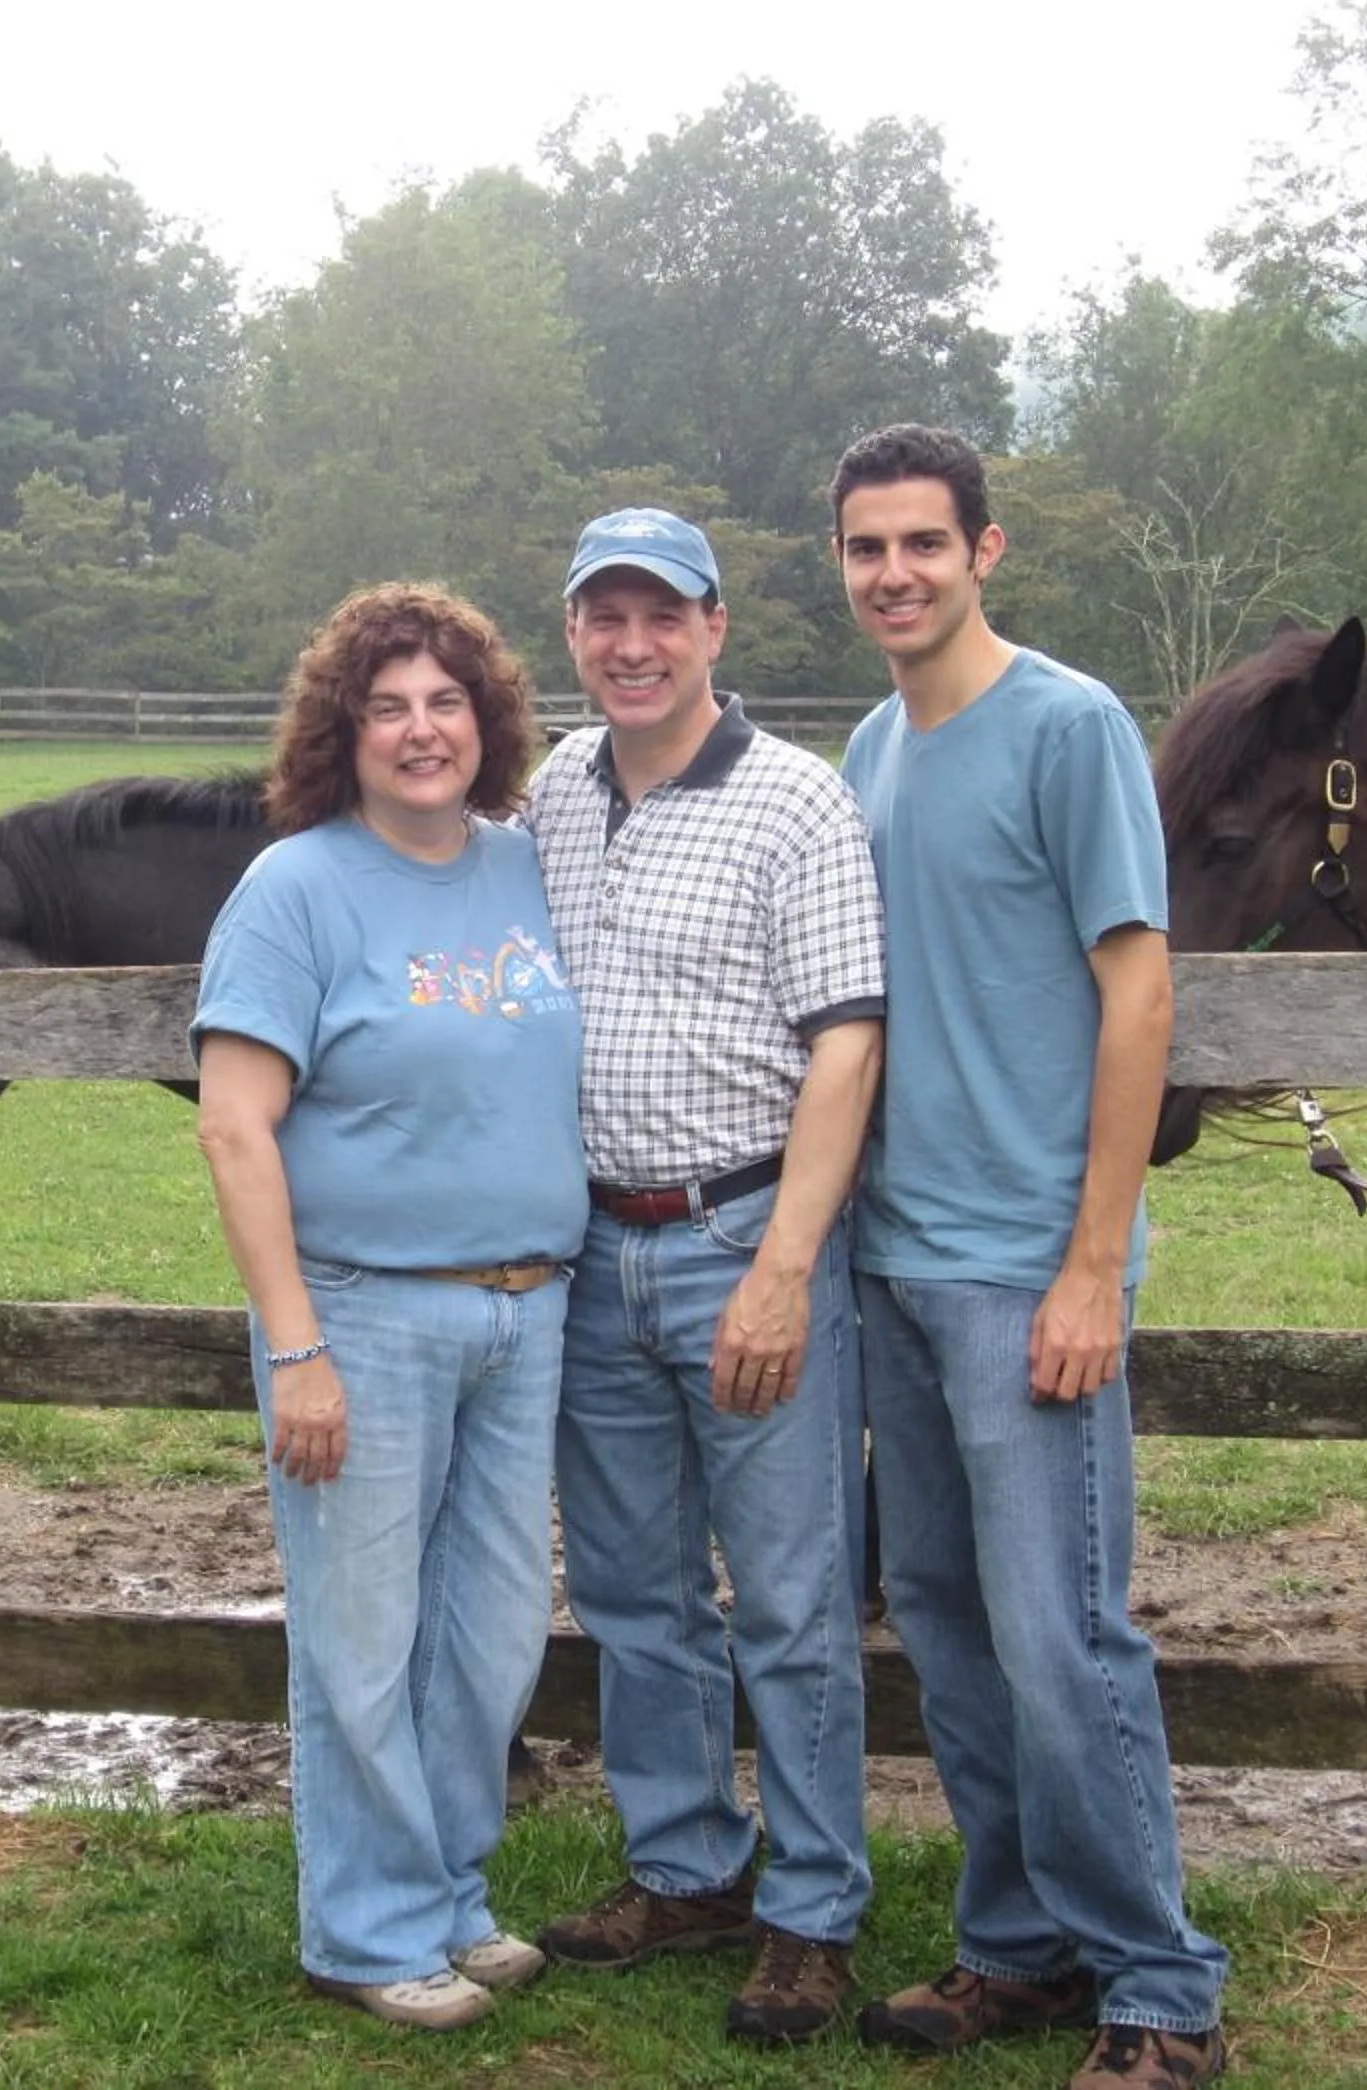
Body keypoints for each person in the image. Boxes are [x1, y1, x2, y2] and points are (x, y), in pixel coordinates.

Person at [828, 425, 1230, 2089]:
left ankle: (1161, 1981)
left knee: (1064, 1632)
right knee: (944, 1616)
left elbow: (1138, 991)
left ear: (985, 552)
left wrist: (1095, 1259)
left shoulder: (1070, 728)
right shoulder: (868, 747)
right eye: (867, 548)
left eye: (925, 543)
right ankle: (1020, 1939)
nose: (895, 574)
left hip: (1026, 1271)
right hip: (895, 1264)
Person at [191, 582, 587, 2033]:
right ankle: (362, 1928)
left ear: (485, 720)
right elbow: (235, 1127)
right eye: (389, 707)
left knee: (488, 1639)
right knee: (362, 1638)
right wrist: (296, 1345)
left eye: (446, 702)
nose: (423, 731)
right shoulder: (297, 889)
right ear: (342, 733)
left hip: (524, 1309)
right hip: (362, 1314)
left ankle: (449, 1897)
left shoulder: (521, 866)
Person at [526, 507, 886, 2045]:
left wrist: (787, 1266)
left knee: (794, 1596)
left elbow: (847, 1043)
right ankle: (687, 1863)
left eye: (659, 614)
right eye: (603, 616)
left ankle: (811, 1907)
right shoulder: (550, 785)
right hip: (592, 1244)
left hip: (742, 1229)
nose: (631, 643)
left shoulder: (797, 802)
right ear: (574, 635)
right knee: (630, 1588)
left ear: (715, 626)